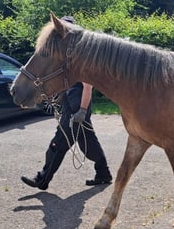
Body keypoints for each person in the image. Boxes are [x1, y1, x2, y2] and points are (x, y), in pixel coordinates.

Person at [21, 17, 112, 191]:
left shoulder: (82, 58)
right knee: (88, 143)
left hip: (77, 110)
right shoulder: (69, 58)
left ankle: (42, 179)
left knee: (58, 143)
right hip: (71, 108)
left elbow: (87, 87)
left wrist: (82, 111)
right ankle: (103, 173)